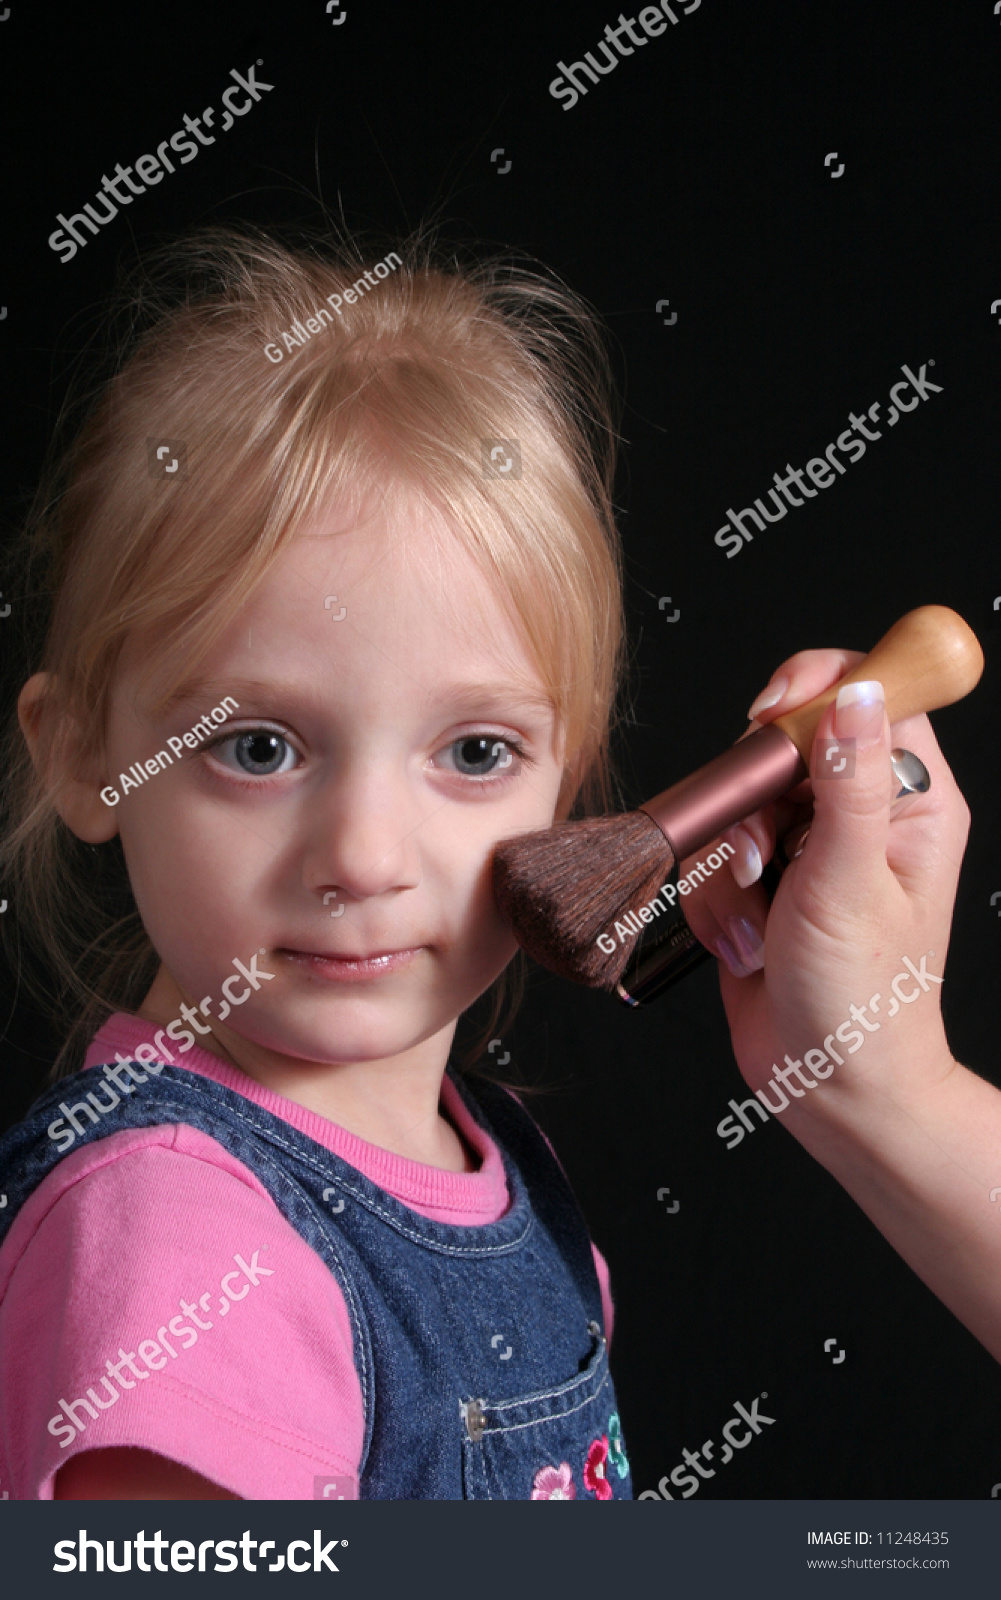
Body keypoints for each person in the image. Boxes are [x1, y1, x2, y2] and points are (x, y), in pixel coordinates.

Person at [0, 227, 993, 1503]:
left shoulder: (495, 1161)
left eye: (472, 750)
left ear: (566, 775)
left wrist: (892, 1081)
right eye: (254, 746)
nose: (363, 855)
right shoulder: (179, 1245)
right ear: (85, 754)